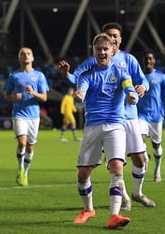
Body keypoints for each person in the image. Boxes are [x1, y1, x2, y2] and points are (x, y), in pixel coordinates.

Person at [59, 22, 155, 210]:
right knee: (115, 163)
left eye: (114, 36)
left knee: (139, 159)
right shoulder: (92, 62)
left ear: (119, 40)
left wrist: (143, 87)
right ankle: (124, 197)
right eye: (108, 35)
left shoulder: (129, 60)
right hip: (107, 119)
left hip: (130, 116)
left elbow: (141, 79)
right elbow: (79, 79)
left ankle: (137, 193)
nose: (112, 38)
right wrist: (67, 75)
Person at [72, 33, 136, 229]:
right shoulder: (87, 75)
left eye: (105, 48)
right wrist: (79, 95)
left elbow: (128, 88)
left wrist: (133, 96)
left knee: (117, 167)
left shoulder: (121, 72)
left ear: (111, 50)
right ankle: (88, 209)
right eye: (98, 49)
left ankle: (114, 215)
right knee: (83, 174)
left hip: (115, 125)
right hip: (93, 126)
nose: (102, 52)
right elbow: (81, 90)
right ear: (94, 51)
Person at [4, 47, 49, 187]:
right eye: (23, 54)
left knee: (30, 147)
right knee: (22, 143)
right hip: (19, 114)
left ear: (33, 57)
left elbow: (44, 97)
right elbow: (6, 94)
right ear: (19, 58)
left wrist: (33, 93)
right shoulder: (14, 76)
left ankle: (26, 172)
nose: (26, 56)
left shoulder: (39, 76)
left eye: (28, 53)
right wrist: (14, 97)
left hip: (34, 116)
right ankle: (20, 168)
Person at [137, 49, 165, 183]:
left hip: (156, 116)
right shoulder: (137, 75)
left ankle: (157, 168)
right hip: (140, 115)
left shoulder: (161, 76)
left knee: (156, 144)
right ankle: (145, 159)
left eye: (150, 59)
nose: (148, 61)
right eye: (145, 59)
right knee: (139, 141)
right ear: (142, 61)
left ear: (154, 61)